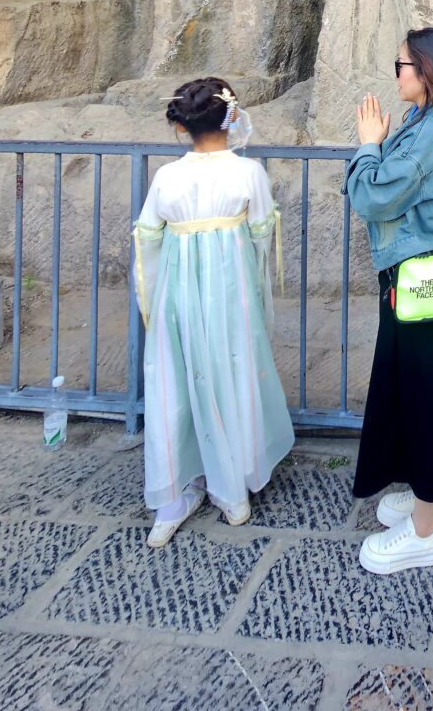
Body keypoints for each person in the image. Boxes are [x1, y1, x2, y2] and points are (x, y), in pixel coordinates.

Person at [132, 77, 293, 548]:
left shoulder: (166, 177)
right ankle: (235, 490)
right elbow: (263, 234)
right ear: (231, 118)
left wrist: (158, 295)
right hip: (231, 290)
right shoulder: (248, 174)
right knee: (233, 373)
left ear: (182, 127)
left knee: (175, 383)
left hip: (178, 294)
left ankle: (173, 495)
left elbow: (147, 235)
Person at [346, 26, 433, 574]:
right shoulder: (424, 123)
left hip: (419, 275)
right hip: (415, 274)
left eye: (400, 64)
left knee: (425, 396)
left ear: (425, 72)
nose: (395, 73)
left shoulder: (426, 135)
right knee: (415, 387)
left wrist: (368, 145)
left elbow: (374, 196)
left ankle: (425, 531)